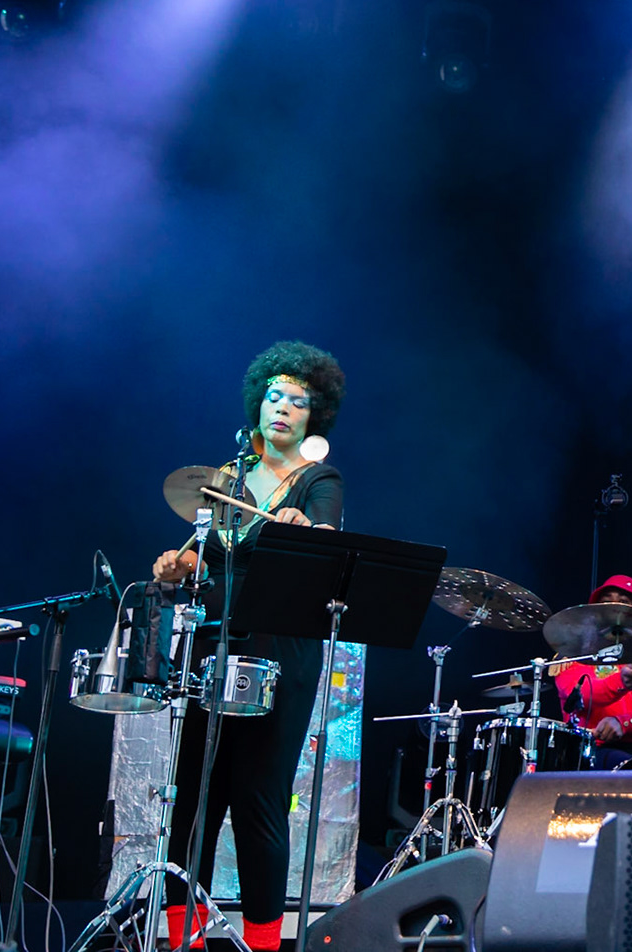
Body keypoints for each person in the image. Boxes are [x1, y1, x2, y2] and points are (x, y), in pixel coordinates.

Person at [150, 342, 346, 952]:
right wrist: (179, 565)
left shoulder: (318, 480)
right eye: (274, 396)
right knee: (193, 802)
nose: (282, 408)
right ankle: (185, 941)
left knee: (259, 802)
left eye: (298, 401)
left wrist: (306, 531)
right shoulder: (226, 478)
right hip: (214, 645)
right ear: (257, 405)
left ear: (315, 417)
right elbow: (205, 555)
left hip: (281, 652)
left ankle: (263, 945)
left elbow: (327, 540)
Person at [552, 575, 632, 767]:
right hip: (590, 751)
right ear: (595, 614)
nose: (614, 609)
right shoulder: (573, 658)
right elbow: (581, 695)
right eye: (606, 602)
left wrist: (624, 722)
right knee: (630, 767)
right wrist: (621, 682)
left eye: (624, 603)